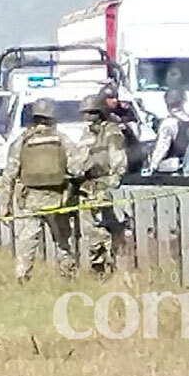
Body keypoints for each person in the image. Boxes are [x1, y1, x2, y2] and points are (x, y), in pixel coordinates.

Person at [0, 99, 79, 282]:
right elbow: (76, 168)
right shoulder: (62, 139)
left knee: (27, 240)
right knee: (63, 240)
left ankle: (22, 277)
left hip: (29, 199)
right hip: (57, 197)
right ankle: (67, 275)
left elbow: (8, 175)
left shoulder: (22, 141)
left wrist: (4, 205)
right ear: (53, 117)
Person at [76, 94, 128, 275]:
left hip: (103, 186)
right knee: (90, 231)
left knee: (105, 229)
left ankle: (109, 267)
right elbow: (80, 160)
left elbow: (118, 160)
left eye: (92, 113)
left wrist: (110, 184)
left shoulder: (111, 132)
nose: (87, 117)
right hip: (87, 187)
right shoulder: (87, 134)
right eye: (85, 114)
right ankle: (97, 266)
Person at [145, 88, 189, 175]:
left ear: (166, 102)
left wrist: (153, 166)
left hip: (174, 169)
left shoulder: (168, 123)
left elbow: (162, 147)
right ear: (184, 100)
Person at [98, 83, 145, 173]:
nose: (115, 100)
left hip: (127, 154)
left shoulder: (124, 111)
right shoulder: (98, 114)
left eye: (116, 97)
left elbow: (134, 129)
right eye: (111, 98)